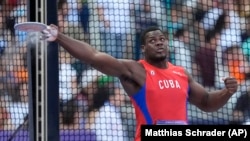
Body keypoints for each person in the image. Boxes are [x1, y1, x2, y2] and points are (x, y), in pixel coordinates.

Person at [41, 25, 238, 141]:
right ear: (143, 48)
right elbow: (93, 56)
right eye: (153, 40)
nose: (160, 42)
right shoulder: (136, 70)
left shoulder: (181, 74)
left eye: (162, 39)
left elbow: (206, 103)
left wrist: (226, 92)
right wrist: (59, 37)